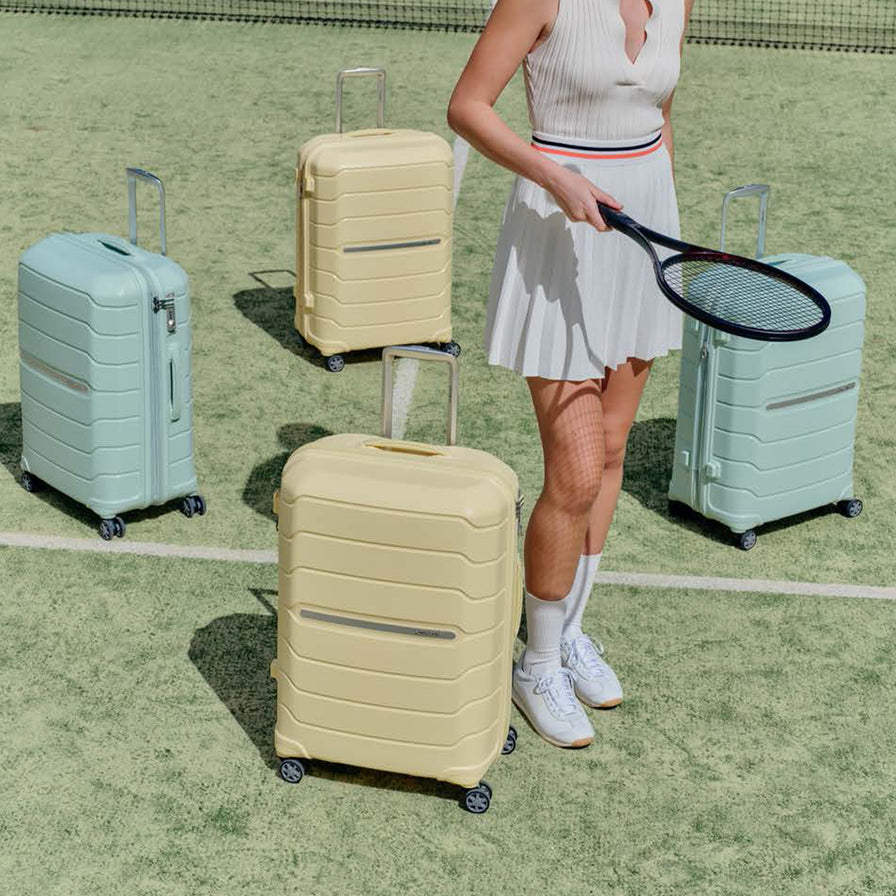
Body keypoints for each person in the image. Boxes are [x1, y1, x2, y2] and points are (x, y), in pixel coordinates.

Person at [447, 0, 696, 748]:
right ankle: (538, 662)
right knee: (577, 469)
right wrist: (555, 178)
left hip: (642, 227)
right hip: (560, 234)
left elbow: (661, 116)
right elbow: (467, 107)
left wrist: (667, 241)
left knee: (613, 449)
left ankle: (571, 631)